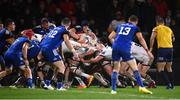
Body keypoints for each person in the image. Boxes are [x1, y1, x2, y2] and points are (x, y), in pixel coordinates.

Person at [108, 15, 152, 94]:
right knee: (135, 68)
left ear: (129, 20)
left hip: (115, 47)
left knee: (115, 69)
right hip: (125, 48)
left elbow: (110, 37)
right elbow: (141, 39)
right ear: (136, 22)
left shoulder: (119, 26)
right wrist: (147, 50)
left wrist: (116, 45)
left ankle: (113, 90)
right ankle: (142, 87)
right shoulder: (135, 28)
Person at [39, 17, 79, 91]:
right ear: (69, 24)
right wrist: (73, 51)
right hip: (50, 49)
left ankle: (47, 84)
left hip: (43, 48)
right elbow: (66, 40)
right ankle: (59, 86)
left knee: (53, 66)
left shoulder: (55, 29)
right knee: (62, 67)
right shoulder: (64, 30)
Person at [150, 17, 175, 89]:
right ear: (163, 22)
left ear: (157, 22)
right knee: (169, 68)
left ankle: (168, 84)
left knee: (160, 68)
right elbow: (173, 38)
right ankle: (172, 85)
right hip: (170, 49)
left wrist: (151, 48)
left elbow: (152, 38)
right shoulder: (169, 29)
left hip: (162, 49)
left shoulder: (156, 28)